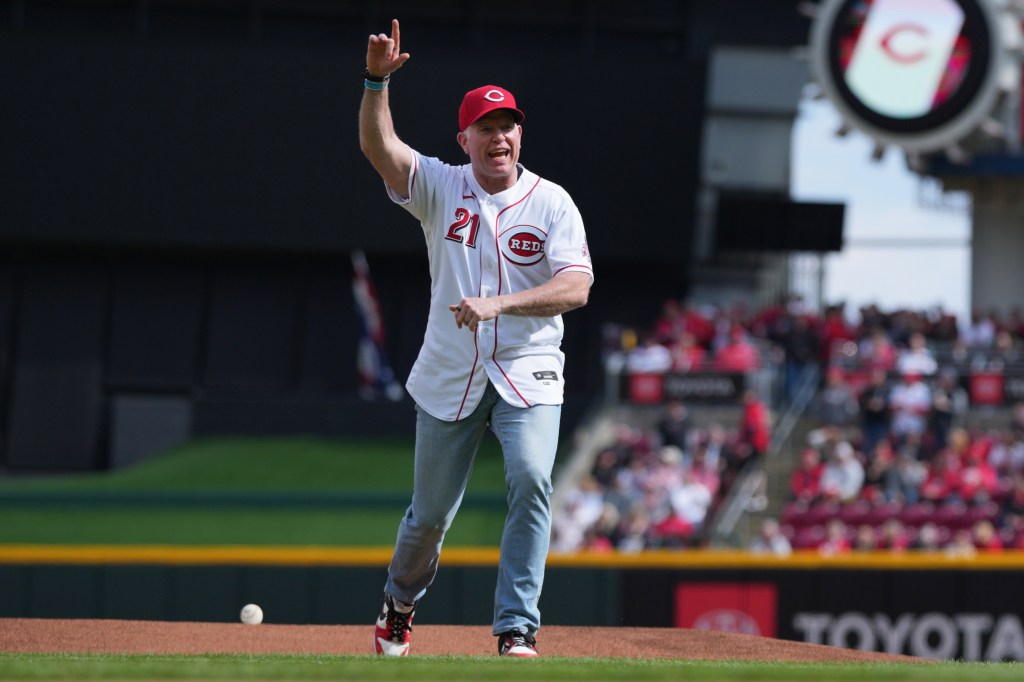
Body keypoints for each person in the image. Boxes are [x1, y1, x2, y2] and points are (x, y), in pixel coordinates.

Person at [360, 20, 594, 658]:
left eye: (508, 125)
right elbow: (382, 150)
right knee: (430, 516)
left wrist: (501, 304)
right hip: (449, 369)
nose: (499, 136)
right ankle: (400, 602)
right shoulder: (440, 185)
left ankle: (517, 626)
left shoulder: (553, 203)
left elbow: (576, 287)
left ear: (521, 134)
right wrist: (376, 81)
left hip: (529, 365)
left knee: (532, 478)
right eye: (486, 127)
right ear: (464, 138)